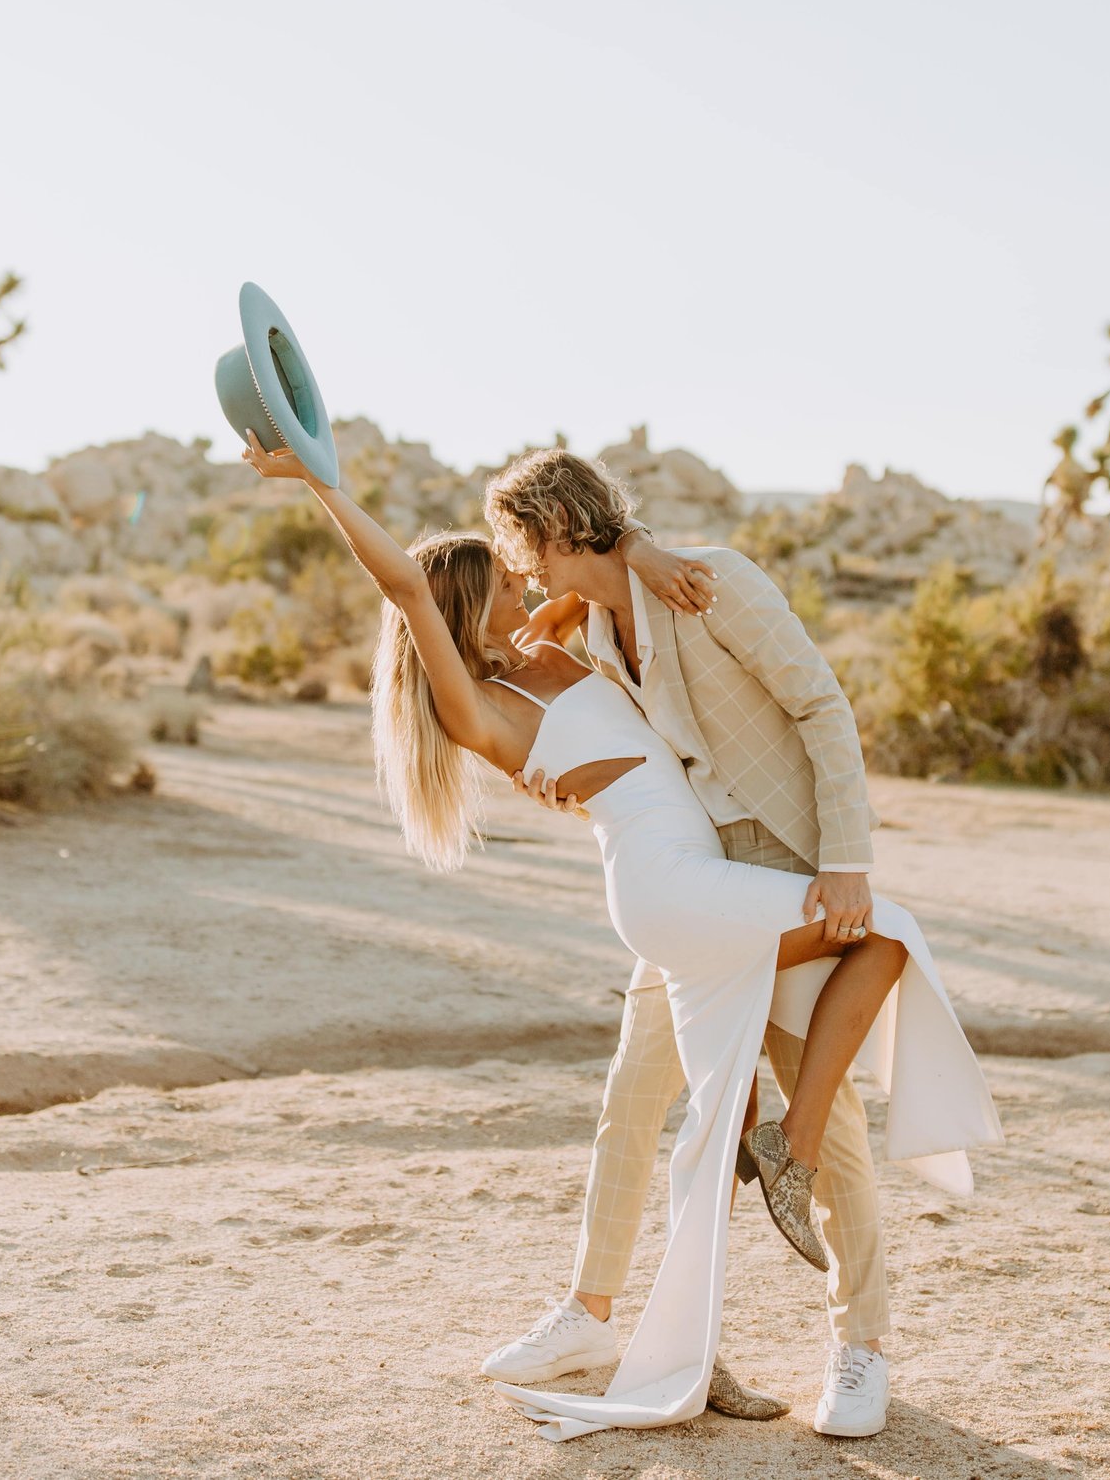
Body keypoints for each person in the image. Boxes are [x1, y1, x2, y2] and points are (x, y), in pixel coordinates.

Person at [238, 431, 1001, 1444]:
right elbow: (409, 589)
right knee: (830, 980)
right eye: (501, 587)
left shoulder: (582, 627)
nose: (520, 588)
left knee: (678, 1114)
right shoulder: (489, 694)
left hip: (744, 867)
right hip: (675, 894)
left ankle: (811, 1323)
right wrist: (317, 482)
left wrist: (634, 548)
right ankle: (666, 1255)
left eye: (524, 565)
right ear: (467, 615)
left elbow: (766, 672)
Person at [475, 448, 962, 1438]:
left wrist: (849, 862)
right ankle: (589, 1316)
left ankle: (858, 1348)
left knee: (825, 1138)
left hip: (787, 870)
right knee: (629, 1097)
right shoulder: (602, 618)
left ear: (559, 528)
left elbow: (822, 705)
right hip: (689, 882)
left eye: (521, 542)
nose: (516, 565)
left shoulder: (712, 580)